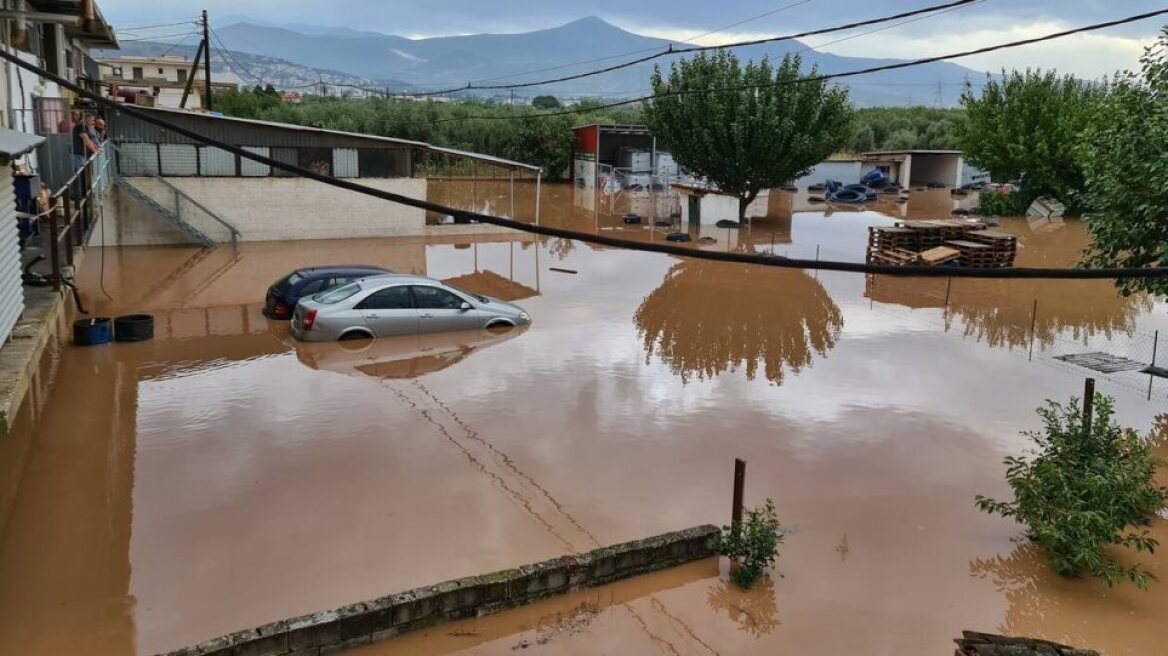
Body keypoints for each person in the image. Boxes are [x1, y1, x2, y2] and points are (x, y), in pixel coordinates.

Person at [71, 113, 100, 198]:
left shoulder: (85, 127)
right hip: (78, 154)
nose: (93, 122)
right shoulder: (80, 126)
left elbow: (89, 140)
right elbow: (86, 139)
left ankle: (83, 195)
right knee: (78, 175)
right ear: (86, 120)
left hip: (81, 154)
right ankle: (77, 196)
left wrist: (96, 148)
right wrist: (95, 151)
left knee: (82, 175)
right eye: (92, 120)